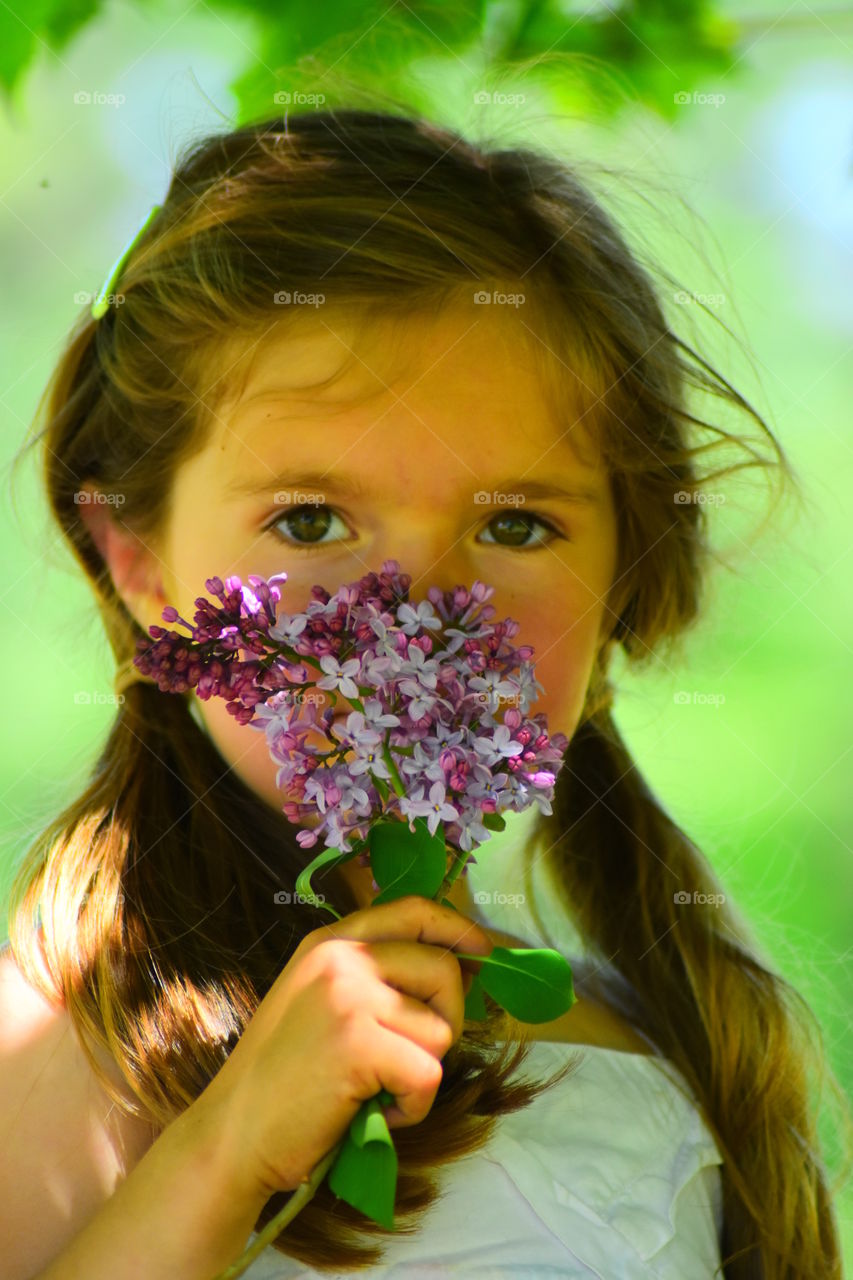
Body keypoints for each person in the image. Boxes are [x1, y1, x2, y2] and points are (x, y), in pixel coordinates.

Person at [1, 106, 848, 1280]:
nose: (411, 603)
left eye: (514, 523)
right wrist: (224, 1151)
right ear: (137, 563)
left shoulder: (659, 1044)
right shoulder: (70, 1042)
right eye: (309, 520)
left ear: (620, 580)